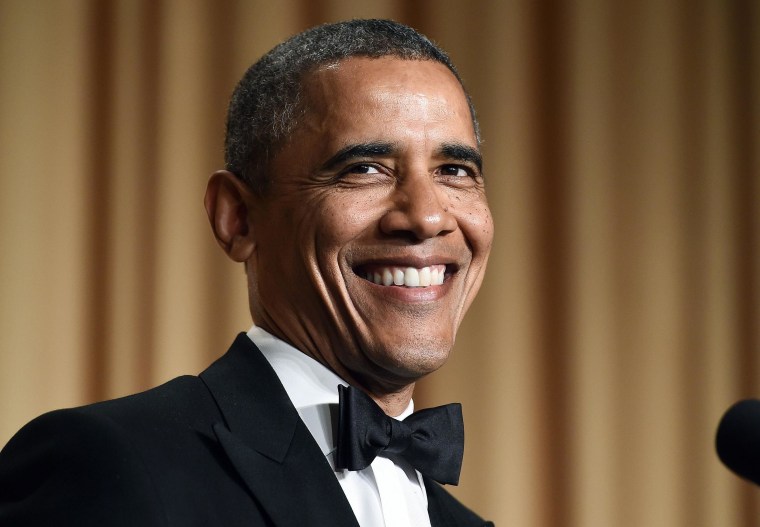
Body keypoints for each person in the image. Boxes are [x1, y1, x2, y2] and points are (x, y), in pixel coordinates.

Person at [0, 19, 493, 526]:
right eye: (364, 168)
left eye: (454, 171)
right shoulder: (103, 463)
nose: (428, 217)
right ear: (236, 218)